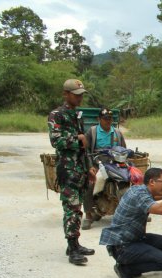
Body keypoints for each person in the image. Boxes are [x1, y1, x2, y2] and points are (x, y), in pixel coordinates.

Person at [99, 168, 162, 278]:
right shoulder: (140, 195)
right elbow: (160, 209)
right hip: (122, 246)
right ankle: (125, 269)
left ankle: (133, 262)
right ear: (152, 182)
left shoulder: (138, 190)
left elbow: (153, 198)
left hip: (132, 239)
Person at [47, 79, 97, 265]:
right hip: (67, 170)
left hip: (80, 169)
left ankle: (75, 244)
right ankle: (72, 248)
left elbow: (84, 148)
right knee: (71, 208)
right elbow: (56, 140)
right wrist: (78, 138)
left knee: (77, 209)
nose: (80, 97)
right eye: (76, 95)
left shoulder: (76, 115)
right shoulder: (56, 115)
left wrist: (89, 166)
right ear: (66, 94)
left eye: (81, 94)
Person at [82, 107, 128, 230]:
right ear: (99, 119)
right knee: (90, 183)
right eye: (105, 119)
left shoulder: (117, 133)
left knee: (130, 181)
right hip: (98, 162)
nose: (108, 121)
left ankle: (133, 211)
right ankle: (87, 215)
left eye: (110, 118)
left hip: (115, 163)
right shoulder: (92, 132)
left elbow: (123, 149)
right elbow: (85, 150)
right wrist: (90, 166)